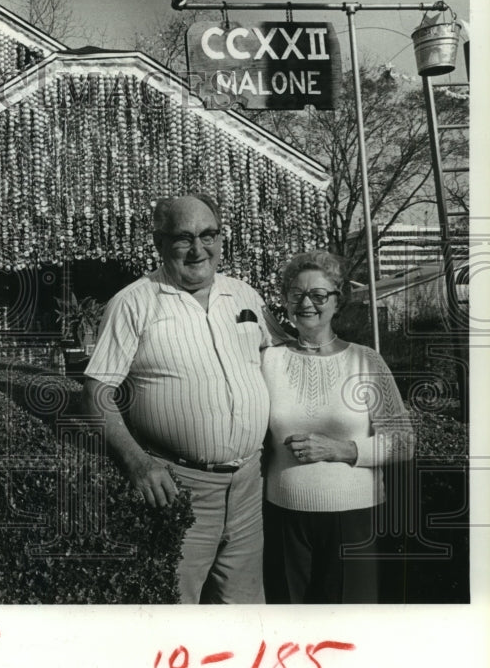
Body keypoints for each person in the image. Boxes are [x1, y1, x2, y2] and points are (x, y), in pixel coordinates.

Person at [83, 194, 287, 604]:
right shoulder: (133, 303)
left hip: (249, 484)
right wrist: (136, 462)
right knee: (176, 613)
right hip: (181, 488)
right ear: (160, 243)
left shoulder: (245, 296)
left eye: (209, 235)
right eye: (184, 238)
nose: (199, 250)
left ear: (221, 237)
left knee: (245, 614)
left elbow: (282, 358)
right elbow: (97, 391)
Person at [261, 250, 414, 603]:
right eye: (296, 294)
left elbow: (404, 442)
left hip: (353, 518)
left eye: (318, 295)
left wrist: (340, 449)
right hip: (284, 517)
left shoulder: (366, 360)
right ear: (285, 300)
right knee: (291, 632)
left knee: (348, 628)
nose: (306, 304)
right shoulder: (269, 360)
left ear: (337, 300)